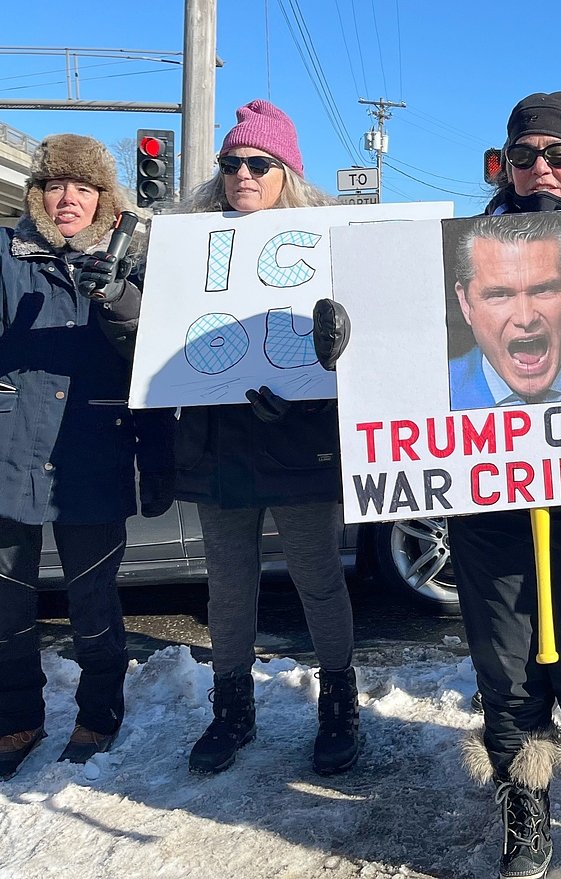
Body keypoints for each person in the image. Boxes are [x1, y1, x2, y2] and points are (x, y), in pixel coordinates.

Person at [316, 90, 561, 879]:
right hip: (490, 499)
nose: (540, 169)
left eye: (558, 154)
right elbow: (399, 364)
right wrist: (350, 345)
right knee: (504, 662)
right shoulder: (452, 257)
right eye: (523, 156)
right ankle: (525, 798)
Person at [174, 99, 360, 777]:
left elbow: (351, 349)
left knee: (317, 578)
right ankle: (232, 710)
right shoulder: (187, 248)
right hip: (218, 441)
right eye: (231, 162)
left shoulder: (325, 245)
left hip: (298, 440)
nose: (243, 174)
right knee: (228, 586)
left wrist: (316, 380)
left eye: (259, 162)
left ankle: (340, 703)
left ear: (287, 172)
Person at [0, 134, 174, 779]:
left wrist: (159, 460)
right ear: (37, 194)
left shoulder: (131, 265)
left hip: (94, 458)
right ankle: (15, 718)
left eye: (83, 186)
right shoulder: (6, 254)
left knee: (93, 600)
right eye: (54, 185)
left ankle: (99, 713)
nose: (67, 198)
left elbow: (160, 366)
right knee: (7, 603)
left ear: (103, 198)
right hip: (10, 454)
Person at [448, 211, 561, 409]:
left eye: (543, 290)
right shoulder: (433, 392)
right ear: (465, 301)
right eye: (499, 295)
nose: (525, 318)